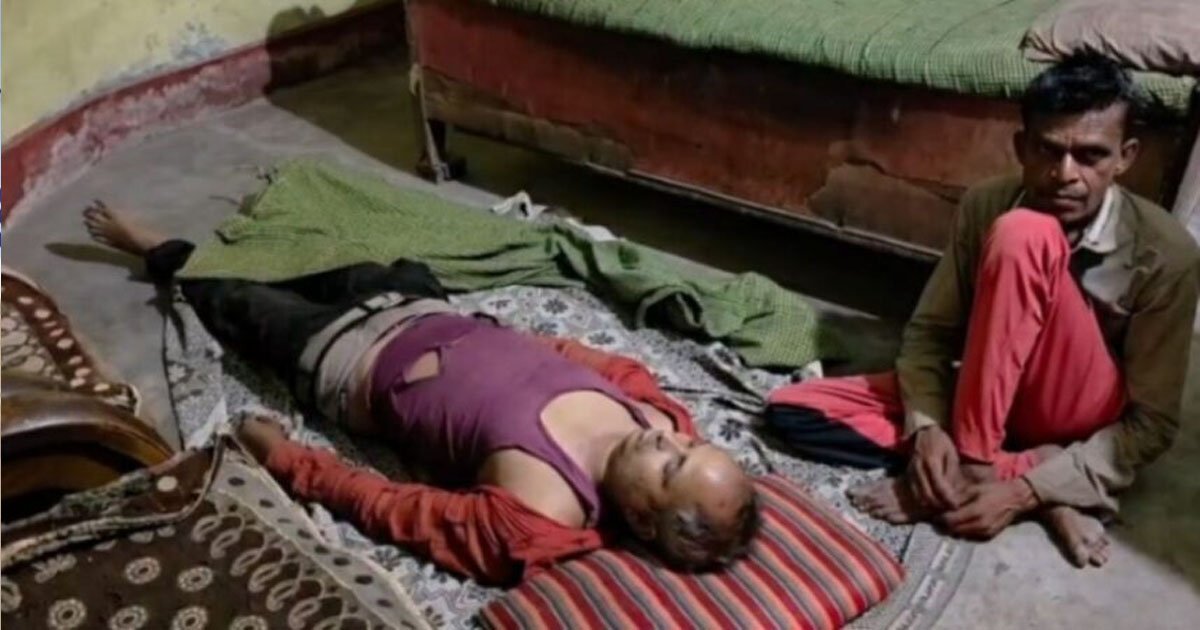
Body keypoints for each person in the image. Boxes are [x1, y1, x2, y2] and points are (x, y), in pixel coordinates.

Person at [83, 202, 759, 586]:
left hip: (342, 355)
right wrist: (494, 338)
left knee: (233, 297)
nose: (669, 438)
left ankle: (157, 248)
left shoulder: (542, 511)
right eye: (688, 444)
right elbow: (579, 357)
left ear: (642, 518)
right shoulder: (655, 410)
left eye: (671, 466)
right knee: (326, 251)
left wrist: (288, 460)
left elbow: (395, 508)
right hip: (418, 305)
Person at [764, 54, 1199, 568]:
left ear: (1125, 157)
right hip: (987, 392)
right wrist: (927, 430)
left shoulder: (1166, 253)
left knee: (1025, 233)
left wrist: (1022, 493)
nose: (1066, 174)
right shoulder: (984, 204)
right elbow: (930, 334)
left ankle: (979, 468)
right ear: (1021, 147)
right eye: (1048, 150)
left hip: (1073, 412)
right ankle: (1025, 475)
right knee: (794, 410)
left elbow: (1150, 424)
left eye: (1090, 156)